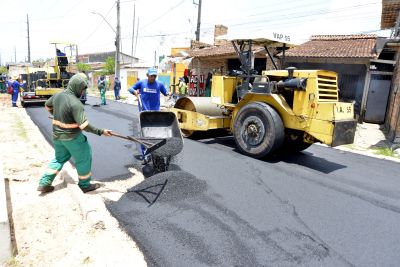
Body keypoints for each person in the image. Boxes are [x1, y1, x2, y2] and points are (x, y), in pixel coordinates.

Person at [37, 73, 112, 194]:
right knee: (84, 158)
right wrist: (101, 131)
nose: (83, 92)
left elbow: (47, 105)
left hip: (57, 137)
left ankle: (44, 182)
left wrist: (55, 114)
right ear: (77, 87)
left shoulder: (57, 95)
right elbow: (85, 126)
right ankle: (85, 185)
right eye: (83, 89)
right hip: (73, 138)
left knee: (59, 159)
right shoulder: (76, 104)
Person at [128, 67, 170, 164]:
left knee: (156, 133)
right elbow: (130, 88)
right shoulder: (142, 83)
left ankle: (157, 151)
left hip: (156, 113)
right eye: (151, 75)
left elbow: (165, 92)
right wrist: (134, 92)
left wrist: (168, 93)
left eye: (155, 75)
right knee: (144, 134)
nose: (153, 77)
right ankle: (146, 155)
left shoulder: (159, 84)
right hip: (144, 113)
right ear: (147, 75)